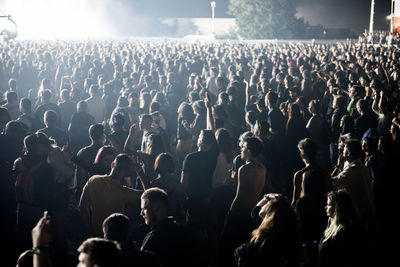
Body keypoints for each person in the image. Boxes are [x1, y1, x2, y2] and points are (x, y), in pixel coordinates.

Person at [221, 136, 266, 267]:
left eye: (243, 147)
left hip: (242, 213)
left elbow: (239, 196)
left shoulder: (244, 169)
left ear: (249, 151)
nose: (241, 149)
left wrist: (230, 212)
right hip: (255, 212)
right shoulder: (262, 168)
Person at [79, 153, 147, 235]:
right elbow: (149, 193)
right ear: (127, 171)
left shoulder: (93, 180)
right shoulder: (124, 192)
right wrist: (140, 171)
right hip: (116, 235)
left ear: (112, 164)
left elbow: (82, 206)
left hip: (96, 232)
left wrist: (89, 230)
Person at [234, 194, 304, 267]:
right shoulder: (274, 228)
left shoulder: (268, 238)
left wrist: (272, 198)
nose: (265, 203)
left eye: (267, 202)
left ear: (271, 210)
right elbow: (255, 211)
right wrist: (267, 197)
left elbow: (244, 254)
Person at [140, 188, 192, 267]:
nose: (141, 213)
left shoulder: (153, 238)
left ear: (157, 208)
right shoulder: (184, 231)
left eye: (144, 208)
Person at [331, 139, 375, 230]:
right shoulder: (363, 167)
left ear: (349, 153)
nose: (342, 151)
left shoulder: (351, 171)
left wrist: (338, 166)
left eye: (344, 149)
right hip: (367, 211)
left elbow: (331, 183)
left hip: (358, 214)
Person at [318, 190, 367, 267]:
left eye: (328, 204)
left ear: (337, 208)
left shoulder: (345, 233)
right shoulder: (331, 227)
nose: (325, 207)